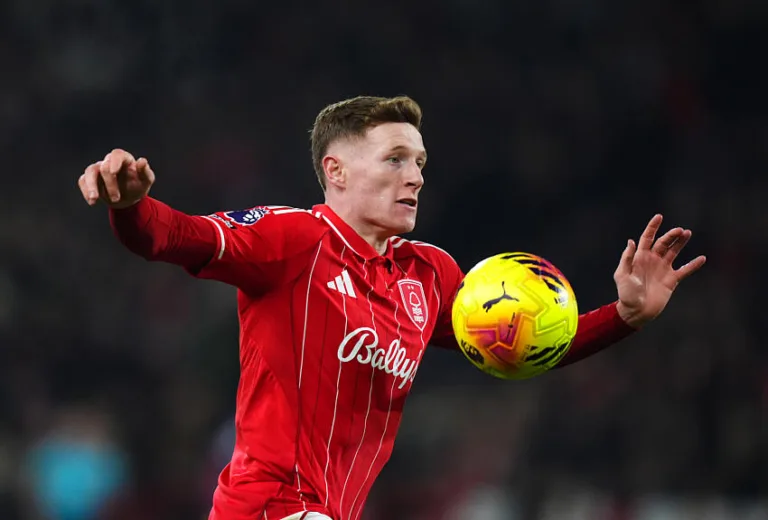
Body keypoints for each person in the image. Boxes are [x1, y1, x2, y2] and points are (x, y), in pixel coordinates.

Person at [77, 96, 706, 520]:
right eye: (396, 159)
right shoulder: (291, 239)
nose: (417, 176)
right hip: (268, 505)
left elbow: (522, 349)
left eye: (421, 162)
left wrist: (623, 317)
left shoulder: (429, 273)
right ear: (337, 171)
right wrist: (129, 205)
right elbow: (175, 237)